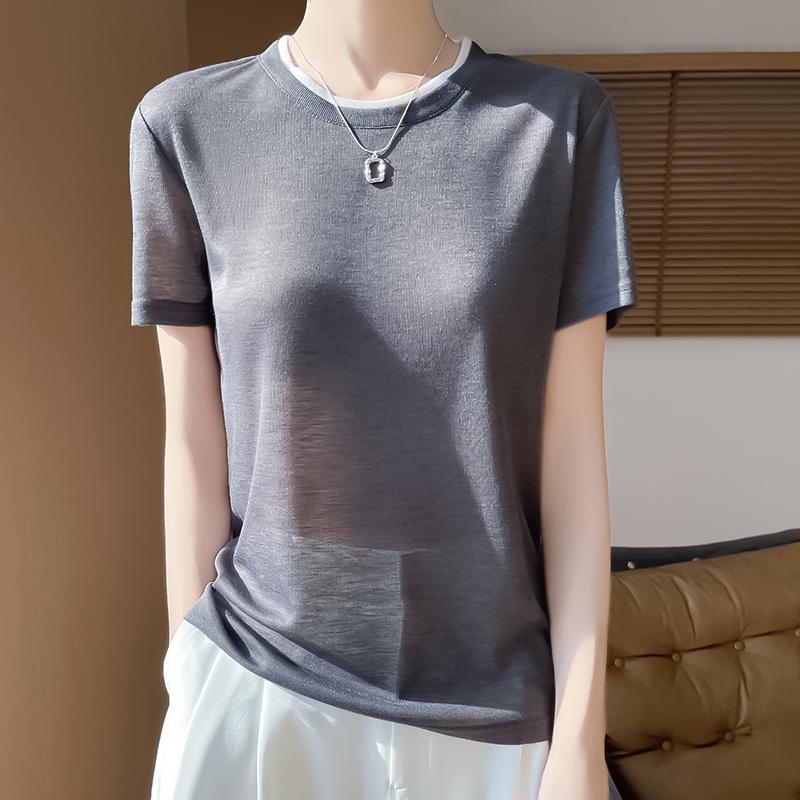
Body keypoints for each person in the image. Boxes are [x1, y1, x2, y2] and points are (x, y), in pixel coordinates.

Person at [128, 2, 636, 798]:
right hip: (258, 690)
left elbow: (573, 457)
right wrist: (188, 680)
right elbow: (194, 446)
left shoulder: (556, 123)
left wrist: (579, 738)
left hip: (491, 712)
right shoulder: (186, 123)